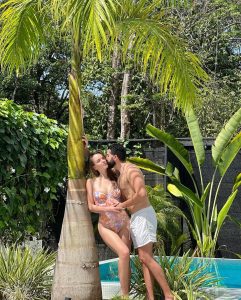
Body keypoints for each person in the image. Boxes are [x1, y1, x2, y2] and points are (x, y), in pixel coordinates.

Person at [106, 144, 174, 300]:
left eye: (108, 155)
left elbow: (142, 194)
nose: (106, 158)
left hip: (144, 215)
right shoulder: (120, 173)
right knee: (144, 261)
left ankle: (169, 295)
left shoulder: (131, 170)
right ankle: (151, 298)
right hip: (136, 217)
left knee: (146, 258)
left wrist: (121, 205)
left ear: (115, 157)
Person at [86, 151, 131, 297]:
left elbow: (125, 199)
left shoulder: (116, 176)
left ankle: (126, 293)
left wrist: (120, 204)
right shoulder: (91, 182)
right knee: (123, 253)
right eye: (99, 160)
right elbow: (91, 207)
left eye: (103, 158)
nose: (103, 161)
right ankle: (125, 296)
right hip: (106, 225)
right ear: (94, 167)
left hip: (123, 222)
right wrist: (108, 207)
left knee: (125, 257)